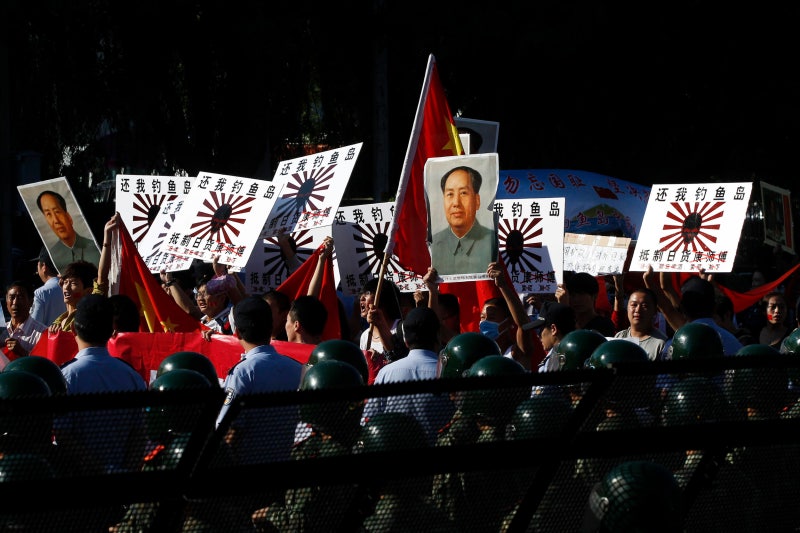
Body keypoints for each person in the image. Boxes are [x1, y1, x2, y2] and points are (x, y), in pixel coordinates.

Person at [57, 294, 148, 474]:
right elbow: (139, 435)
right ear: (110, 331)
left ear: (74, 329)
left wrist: (100, 471)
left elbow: (63, 435)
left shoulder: (66, 376)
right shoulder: (131, 376)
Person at [216, 296, 303, 465]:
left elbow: (230, 431)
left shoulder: (242, 372)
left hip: (249, 475)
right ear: (271, 327)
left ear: (237, 332)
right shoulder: (298, 369)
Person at [362, 306, 455, 446]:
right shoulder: (448, 374)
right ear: (438, 336)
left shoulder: (386, 373)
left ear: (405, 340)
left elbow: (368, 421)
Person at [430, 165, 498, 276]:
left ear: (477, 200)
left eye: (463, 193)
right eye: (450, 194)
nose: (456, 203)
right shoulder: (434, 245)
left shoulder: (491, 242)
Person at [35, 189, 100, 271]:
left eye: (57, 212)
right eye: (48, 214)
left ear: (69, 216)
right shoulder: (49, 255)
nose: (56, 220)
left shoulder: (96, 247)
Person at [613, 287, 668, 361]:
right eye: (634, 305)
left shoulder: (661, 344)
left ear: (655, 311)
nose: (638, 310)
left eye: (644, 306)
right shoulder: (619, 336)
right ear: (627, 308)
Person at [556, 272, 616, 337]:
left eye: (581, 294)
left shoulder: (605, 324)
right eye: (572, 295)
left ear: (594, 296)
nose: (576, 299)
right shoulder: (560, 322)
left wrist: (566, 312)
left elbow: (581, 342)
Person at [0, 280, 46, 363]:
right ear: (6, 302)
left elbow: (44, 366)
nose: (15, 302)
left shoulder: (42, 333)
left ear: (31, 302)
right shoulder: (2, 330)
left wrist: (23, 353)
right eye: (11, 297)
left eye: (20, 297)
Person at [530, 301, 577, 372]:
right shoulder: (576, 351)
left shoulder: (557, 357)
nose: (539, 335)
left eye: (541, 329)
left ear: (553, 329)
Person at [30, 246, 66, 325]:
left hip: (48, 336)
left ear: (44, 267)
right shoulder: (71, 288)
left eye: (38, 265)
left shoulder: (41, 293)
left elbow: (34, 326)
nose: (37, 270)